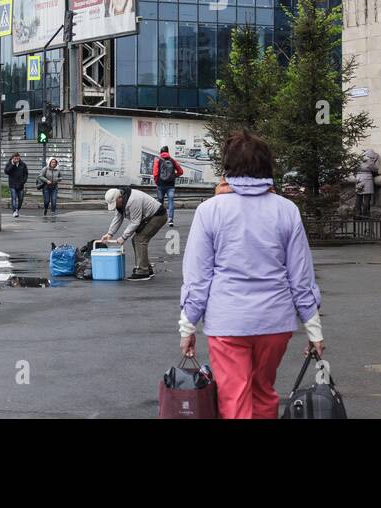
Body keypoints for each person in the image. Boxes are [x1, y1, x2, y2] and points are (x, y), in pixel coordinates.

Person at [178, 130, 324, 419]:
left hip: (228, 322)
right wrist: (314, 328)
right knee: (263, 392)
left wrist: (188, 326)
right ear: (267, 166)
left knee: (235, 398)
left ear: (227, 167)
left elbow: (198, 276)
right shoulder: (287, 210)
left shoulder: (209, 211)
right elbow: (301, 276)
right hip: (275, 323)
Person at [100, 186, 165, 280]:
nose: (115, 206)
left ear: (119, 197)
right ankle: (147, 268)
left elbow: (135, 222)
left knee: (139, 240)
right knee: (136, 240)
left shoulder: (133, 200)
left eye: (115, 203)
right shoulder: (121, 202)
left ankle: (143, 271)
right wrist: (109, 234)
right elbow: (118, 218)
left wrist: (123, 237)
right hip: (148, 217)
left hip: (158, 216)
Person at [152, 145, 184, 227]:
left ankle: (159, 220)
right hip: (171, 185)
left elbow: (155, 173)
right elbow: (180, 172)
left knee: (160, 203)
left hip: (160, 185)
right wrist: (174, 176)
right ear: (168, 152)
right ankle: (170, 220)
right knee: (171, 202)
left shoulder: (157, 160)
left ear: (161, 152)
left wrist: (157, 182)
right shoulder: (173, 161)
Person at [355, 148, 378, 217]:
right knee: (367, 197)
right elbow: (375, 169)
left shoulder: (359, 160)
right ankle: (365, 214)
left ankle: (358, 213)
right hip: (367, 179)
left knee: (359, 197)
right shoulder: (370, 161)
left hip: (358, 178)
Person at [5, 153, 29, 217]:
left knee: (21, 199)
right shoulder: (9, 164)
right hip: (12, 184)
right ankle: (14, 211)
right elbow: (6, 172)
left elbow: (26, 173)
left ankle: (17, 209)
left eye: (18, 158)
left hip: (21, 185)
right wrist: (12, 164)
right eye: (15, 158)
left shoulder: (23, 164)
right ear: (13, 158)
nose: (17, 159)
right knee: (14, 198)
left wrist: (24, 181)